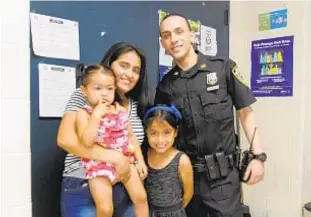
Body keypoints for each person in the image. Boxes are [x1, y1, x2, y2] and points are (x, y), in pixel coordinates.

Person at [155, 13, 267, 217]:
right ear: (163, 43)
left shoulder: (222, 68)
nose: (174, 39)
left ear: (191, 35)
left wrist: (258, 156)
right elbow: (161, 133)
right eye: (167, 35)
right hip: (185, 177)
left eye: (179, 32)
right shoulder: (166, 86)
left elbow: (245, 112)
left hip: (222, 178)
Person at [57, 42, 150, 217]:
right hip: (85, 181)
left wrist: (137, 161)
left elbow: (131, 139)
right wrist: (117, 158)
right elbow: (65, 140)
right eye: (124, 66)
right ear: (110, 64)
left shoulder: (134, 105)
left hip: (125, 186)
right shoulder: (85, 95)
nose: (129, 74)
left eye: (136, 70)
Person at [75, 64, 148, 217]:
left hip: (126, 162)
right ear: (84, 91)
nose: (104, 94)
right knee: (106, 209)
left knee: (141, 198)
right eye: (98, 88)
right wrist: (96, 116)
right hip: (98, 166)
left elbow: (131, 137)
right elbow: (86, 142)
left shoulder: (120, 110)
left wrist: (140, 161)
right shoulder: (84, 113)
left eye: (109, 89)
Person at [143, 104, 194, 217]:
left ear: (175, 132)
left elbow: (188, 193)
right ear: (146, 132)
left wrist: (174, 211)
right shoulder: (144, 155)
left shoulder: (181, 160)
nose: (160, 140)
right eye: (153, 133)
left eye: (166, 133)